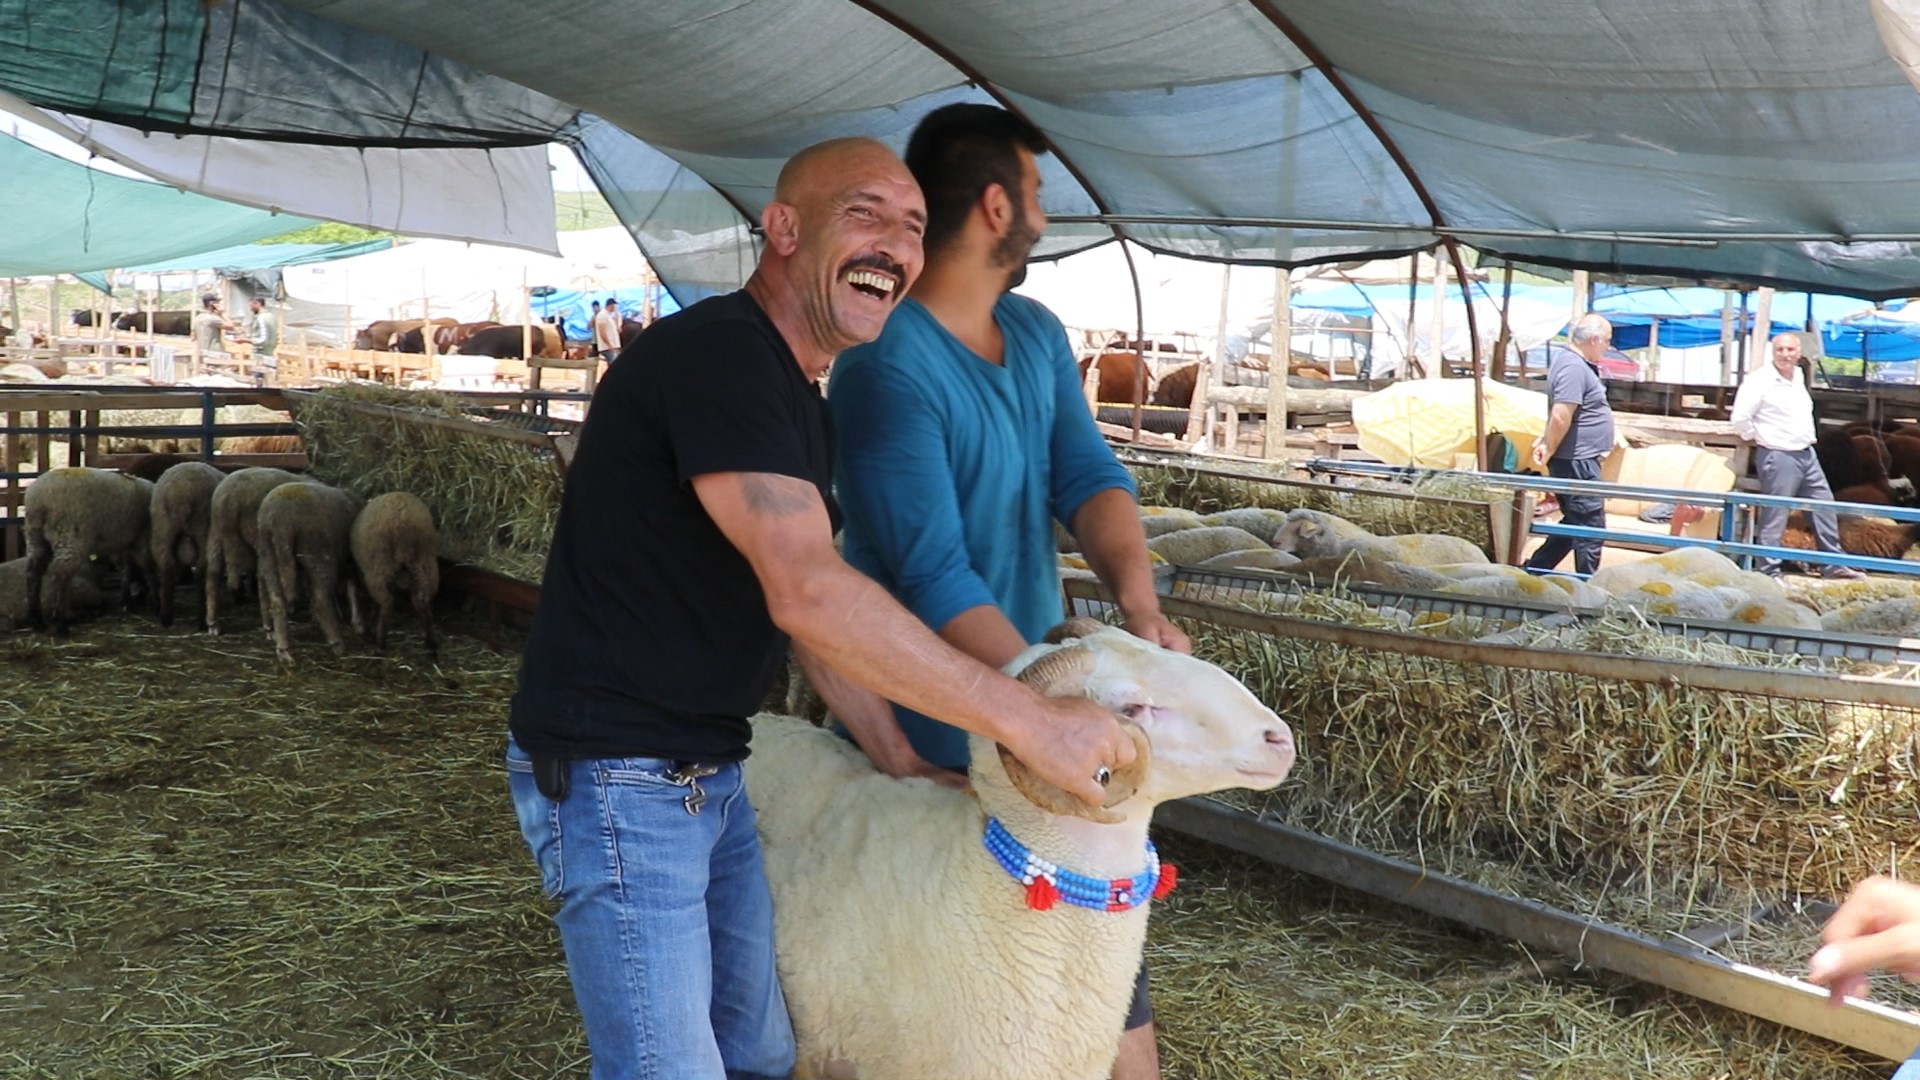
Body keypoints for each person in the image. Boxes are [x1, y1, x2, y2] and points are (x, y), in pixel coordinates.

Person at [504, 136, 1136, 1080]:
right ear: (785, 229)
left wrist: (896, 757)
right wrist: (1027, 717)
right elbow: (809, 587)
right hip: (619, 773)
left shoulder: (800, 397)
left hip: (707, 765)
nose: (894, 244)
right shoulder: (722, 354)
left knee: (759, 1053)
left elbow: (805, 606)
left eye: (913, 227)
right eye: (866, 215)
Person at [826, 103, 1183, 1080]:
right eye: (1035, 192)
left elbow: (1089, 477)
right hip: (940, 753)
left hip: (1047, 747)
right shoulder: (885, 369)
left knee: (1110, 1016)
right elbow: (934, 575)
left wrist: (1140, 604)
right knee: (974, 1032)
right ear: (996, 207)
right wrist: (1041, 707)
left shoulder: (1030, 331)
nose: (1042, 211)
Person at [1730, 332, 1864, 580]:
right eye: (1780, 349)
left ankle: (1832, 564)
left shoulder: (1798, 376)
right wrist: (1758, 437)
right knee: (1777, 512)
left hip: (1805, 453)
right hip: (1779, 454)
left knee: (1823, 506)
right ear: (1773, 351)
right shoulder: (1759, 380)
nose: (1785, 354)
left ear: (1798, 353)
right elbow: (1740, 418)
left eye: (1790, 350)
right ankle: (1768, 570)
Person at [1522, 313, 1618, 576]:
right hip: (1577, 460)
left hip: (1580, 458)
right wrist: (1550, 446)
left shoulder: (1574, 364)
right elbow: (1561, 414)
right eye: (1607, 341)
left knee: (1574, 522)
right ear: (1595, 339)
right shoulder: (1573, 367)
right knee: (1590, 526)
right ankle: (1586, 584)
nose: (1608, 346)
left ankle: (1534, 570)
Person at [245, 297, 278, 387]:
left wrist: (248, 340)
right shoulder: (271, 316)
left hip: (261, 355)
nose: (250, 308)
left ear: (257, 304)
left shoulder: (262, 318)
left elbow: (264, 339)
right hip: (269, 353)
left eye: (251, 305)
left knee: (260, 383)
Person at [190, 294, 231, 360]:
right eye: (217, 303)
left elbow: (193, 337)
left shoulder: (196, 319)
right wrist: (223, 313)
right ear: (212, 304)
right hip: (216, 354)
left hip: (203, 354)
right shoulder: (213, 318)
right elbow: (231, 326)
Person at [593, 296, 621, 364]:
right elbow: (602, 331)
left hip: (612, 347)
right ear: (611, 306)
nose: (615, 308)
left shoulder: (608, 316)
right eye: (614, 306)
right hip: (607, 348)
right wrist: (609, 345)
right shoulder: (602, 315)